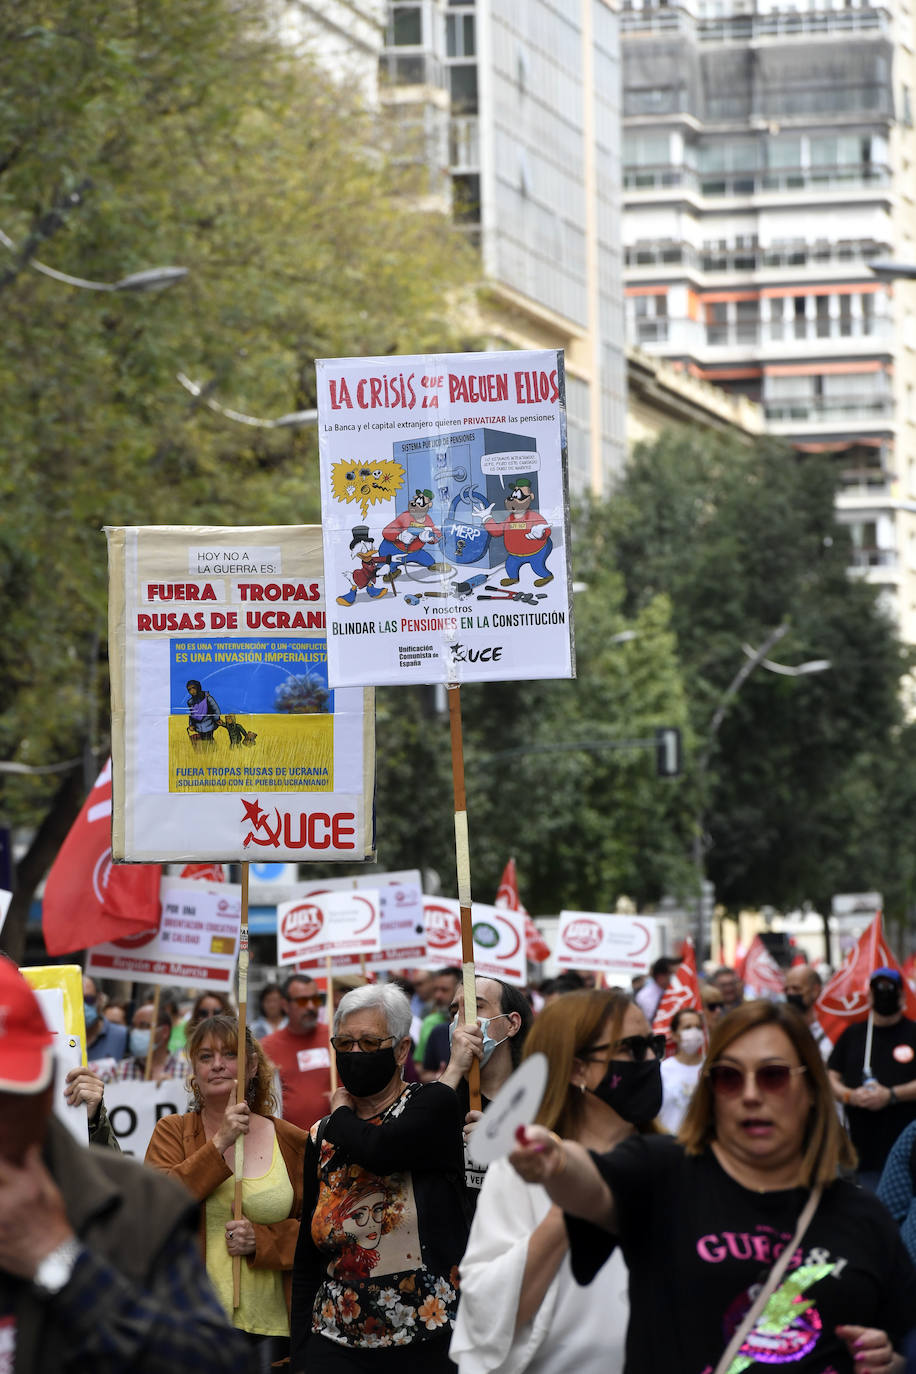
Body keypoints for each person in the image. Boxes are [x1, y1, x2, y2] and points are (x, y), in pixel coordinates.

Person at [510, 999, 916, 1374]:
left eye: (773, 1076)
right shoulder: (663, 1171)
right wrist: (558, 1161)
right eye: (729, 1078)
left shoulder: (863, 1217)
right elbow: (593, 1183)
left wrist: (890, 1361)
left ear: (810, 1089)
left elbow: (901, 1340)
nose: (751, 1095)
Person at [0, 956, 250, 1373]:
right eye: (206, 1056)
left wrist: (61, 1263)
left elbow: (214, 1362)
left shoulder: (137, 1205)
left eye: (7, 1095)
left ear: (43, 1083)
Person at [450, 989, 660, 1373]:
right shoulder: (519, 1171)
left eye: (653, 1045)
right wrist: (576, 1198)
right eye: (632, 1049)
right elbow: (485, 1312)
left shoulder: (670, 1161)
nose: (648, 1061)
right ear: (577, 1068)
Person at [290, 983, 468, 1371]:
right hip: (334, 1341)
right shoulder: (321, 1136)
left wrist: (340, 1114)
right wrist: (301, 1350)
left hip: (425, 1340)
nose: (355, 1054)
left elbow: (383, 1151)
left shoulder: (430, 1105)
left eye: (370, 1044)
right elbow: (307, 1253)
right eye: (345, 1043)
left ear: (402, 1050)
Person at [146, 1013, 307, 1372]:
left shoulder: (293, 1140)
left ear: (251, 1067)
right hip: (194, 1326)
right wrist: (220, 1142)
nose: (217, 1065)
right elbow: (157, 1207)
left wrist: (262, 1240)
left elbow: (319, 1231)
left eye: (229, 1054)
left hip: (274, 1332)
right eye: (205, 1056)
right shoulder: (172, 1132)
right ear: (195, 1071)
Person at [828, 967, 916, 1189]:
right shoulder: (852, 1034)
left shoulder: (913, 1032)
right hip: (862, 1154)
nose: (883, 993)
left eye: (890, 988)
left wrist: (892, 1095)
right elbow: (830, 1077)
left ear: (903, 995)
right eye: (878, 988)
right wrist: (849, 1095)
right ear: (868, 996)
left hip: (908, 1151)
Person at [261, 975, 331, 1131]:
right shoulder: (267, 1047)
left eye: (316, 999)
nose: (311, 1006)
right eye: (303, 1001)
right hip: (288, 1143)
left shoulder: (335, 1038)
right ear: (285, 1005)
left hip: (333, 1141)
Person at [97, 1001, 188, 1084]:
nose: (135, 1032)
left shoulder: (185, 1072)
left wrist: (174, 1090)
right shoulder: (118, 1071)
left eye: (143, 1026)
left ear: (164, 1032)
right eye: (134, 1026)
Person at [657, 1006, 705, 1135]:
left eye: (698, 1027)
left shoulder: (710, 1067)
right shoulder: (662, 1071)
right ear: (674, 1035)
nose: (694, 1032)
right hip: (670, 1145)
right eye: (687, 1027)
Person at [785, 964, 831, 1060]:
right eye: (786, 989)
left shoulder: (831, 1029)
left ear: (815, 990)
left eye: (796, 988)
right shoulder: (784, 1028)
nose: (790, 993)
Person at [83, 974, 127, 1064]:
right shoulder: (60, 1037)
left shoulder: (122, 1036)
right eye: (76, 1000)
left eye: (88, 999)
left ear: (100, 998)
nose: (83, 1006)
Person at [634, 957, 674, 1023]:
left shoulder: (672, 991)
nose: (673, 978)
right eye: (671, 974)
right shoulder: (644, 996)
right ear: (661, 976)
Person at [186, 679, 221, 745]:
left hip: (208, 724)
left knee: (209, 741)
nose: (192, 691)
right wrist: (191, 725)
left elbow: (216, 709)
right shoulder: (190, 702)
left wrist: (217, 719)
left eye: (193, 688)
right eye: (189, 689)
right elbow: (192, 714)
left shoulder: (207, 697)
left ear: (198, 687)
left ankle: (214, 753)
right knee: (202, 743)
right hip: (198, 727)